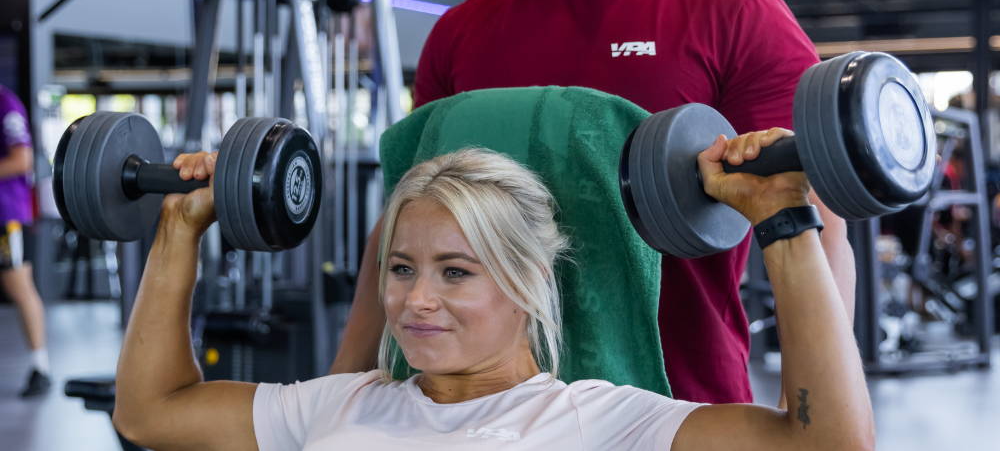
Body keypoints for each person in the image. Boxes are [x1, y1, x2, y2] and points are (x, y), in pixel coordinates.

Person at [331, 0, 857, 404]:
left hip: (680, 401)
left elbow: (815, 220)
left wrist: (811, 411)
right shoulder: (460, 33)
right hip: (474, 410)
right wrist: (338, 395)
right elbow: (406, 222)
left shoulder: (737, 17)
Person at [112, 139, 874, 450]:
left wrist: (782, 221)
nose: (416, 301)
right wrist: (179, 226)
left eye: (456, 271)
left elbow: (826, 442)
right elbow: (151, 412)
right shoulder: (341, 404)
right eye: (403, 269)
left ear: (528, 281)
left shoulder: (595, 422)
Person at [0, 83, 50, 397]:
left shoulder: (5, 103)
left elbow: (23, 159)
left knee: (18, 285)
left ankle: (40, 367)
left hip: (7, 215)